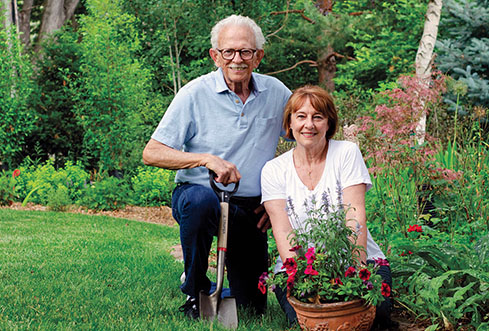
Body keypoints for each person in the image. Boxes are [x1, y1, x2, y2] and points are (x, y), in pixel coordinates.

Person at [142, 15, 292, 319]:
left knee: (251, 307)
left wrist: (279, 199)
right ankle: (196, 291)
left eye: (246, 52)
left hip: (250, 207)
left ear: (259, 56)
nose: (237, 59)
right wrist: (205, 158)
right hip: (199, 194)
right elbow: (152, 152)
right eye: (229, 52)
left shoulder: (277, 94)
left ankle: (222, 289)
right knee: (200, 202)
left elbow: (307, 141)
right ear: (215, 56)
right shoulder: (193, 94)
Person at [260, 85, 393, 329]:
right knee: (307, 321)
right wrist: (307, 281)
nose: (308, 124)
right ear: (289, 124)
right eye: (301, 116)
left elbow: (355, 218)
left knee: (375, 316)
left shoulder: (346, 153)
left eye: (317, 117)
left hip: (359, 263)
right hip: (300, 268)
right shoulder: (273, 170)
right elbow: (281, 231)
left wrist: (355, 277)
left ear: (329, 124)